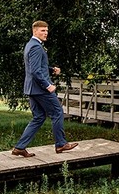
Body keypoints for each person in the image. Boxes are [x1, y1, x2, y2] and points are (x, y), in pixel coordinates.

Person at [11, 20, 78, 157]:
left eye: (47, 31)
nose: (46, 33)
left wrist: (51, 69)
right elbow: (35, 71)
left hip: (32, 89)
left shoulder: (31, 45)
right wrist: (48, 85)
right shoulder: (36, 47)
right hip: (41, 89)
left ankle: (19, 147)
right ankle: (61, 144)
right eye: (43, 30)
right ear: (34, 31)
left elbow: (35, 67)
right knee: (57, 112)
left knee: (39, 117)